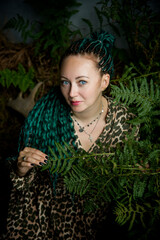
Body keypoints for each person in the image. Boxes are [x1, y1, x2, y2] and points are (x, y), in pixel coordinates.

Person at [3, 30, 138, 239]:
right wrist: (21, 170)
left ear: (104, 81)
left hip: (96, 227)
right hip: (42, 220)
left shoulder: (126, 124)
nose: (72, 92)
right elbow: (25, 187)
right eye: (65, 81)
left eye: (82, 81)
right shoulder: (45, 118)